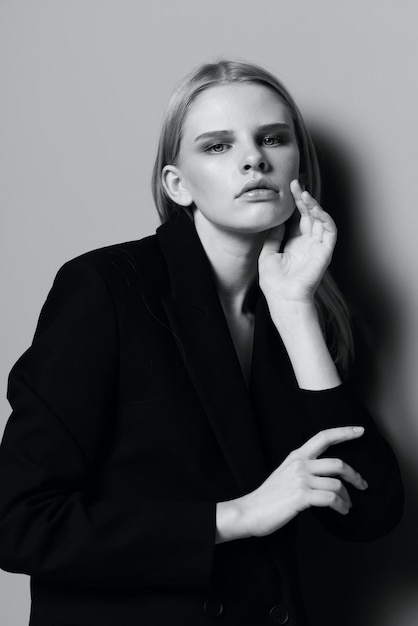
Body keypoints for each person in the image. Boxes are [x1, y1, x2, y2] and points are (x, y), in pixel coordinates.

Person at [0, 59, 404, 626]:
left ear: (298, 168)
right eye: (217, 146)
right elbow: (20, 522)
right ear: (177, 184)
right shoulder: (106, 289)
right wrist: (234, 516)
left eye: (273, 138)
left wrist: (295, 310)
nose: (253, 158)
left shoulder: (300, 307)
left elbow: (368, 513)